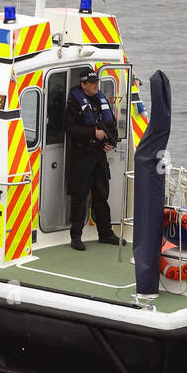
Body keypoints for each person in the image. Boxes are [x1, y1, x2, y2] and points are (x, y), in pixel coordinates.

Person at [65, 65, 122, 250]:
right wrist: (92, 133)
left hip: (99, 155)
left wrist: (111, 142)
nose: (96, 85)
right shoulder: (74, 102)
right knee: (79, 196)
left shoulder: (100, 99)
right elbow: (70, 128)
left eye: (96, 81)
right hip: (82, 156)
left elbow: (111, 124)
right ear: (83, 85)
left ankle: (105, 233)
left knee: (101, 194)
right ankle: (76, 237)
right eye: (92, 83)